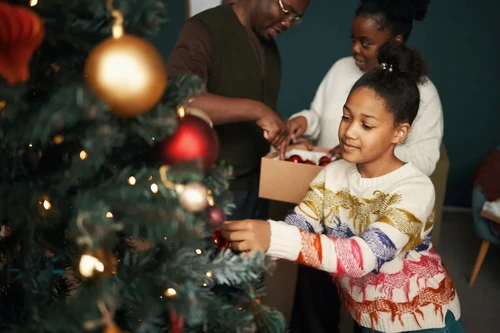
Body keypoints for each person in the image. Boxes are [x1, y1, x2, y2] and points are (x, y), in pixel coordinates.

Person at [222, 41, 463, 333]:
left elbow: (361, 258)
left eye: (367, 125)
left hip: (421, 319)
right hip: (367, 315)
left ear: (399, 133)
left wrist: (272, 236)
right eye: (346, 117)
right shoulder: (333, 174)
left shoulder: (416, 189)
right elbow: (301, 223)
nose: (349, 132)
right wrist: (248, 243)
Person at [285, 1, 442, 332]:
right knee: (318, 278)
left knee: (372, 296)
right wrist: (305, 119)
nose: (355, 48)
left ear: (395, 41)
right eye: (347, 118)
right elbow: (319, 115)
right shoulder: (341, 69)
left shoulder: (420, 92)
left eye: (366, 42)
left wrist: (361, 156)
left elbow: (426, 159)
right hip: (336, 198)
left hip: (373, 213)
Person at [167, 0, 310, 220]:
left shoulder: (269, 46)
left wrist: (288, 141)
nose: (289, 23)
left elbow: (264, 111)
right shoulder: (205, 28)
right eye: (286, 11)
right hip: (210, 189)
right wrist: (258, 110)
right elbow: (181, 98)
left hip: (258, 186)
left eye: (296, 18)